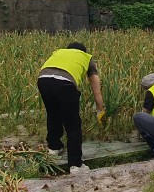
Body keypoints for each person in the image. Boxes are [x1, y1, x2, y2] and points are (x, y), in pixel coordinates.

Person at [38, 42, 105, 175]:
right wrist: (100, 109)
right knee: (73, 124)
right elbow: (96, 88)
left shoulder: (59, 52)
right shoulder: (86, 57)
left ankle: (54, 147)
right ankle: (76, 165)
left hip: (43, 80)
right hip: (64, 83)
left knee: (53, 114)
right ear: (83, 51)